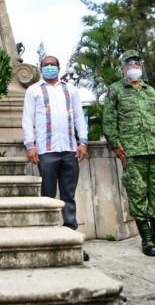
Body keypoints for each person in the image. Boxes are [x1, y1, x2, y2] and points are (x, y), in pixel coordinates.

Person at [104, 50, 155, 257]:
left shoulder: (150, 90)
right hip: (132, 151)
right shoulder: (115, 90)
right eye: (130, 64)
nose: (134, 67)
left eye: (137, 64)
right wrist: (116, 145)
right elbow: (109, 120)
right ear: (122, 69)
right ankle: (147, 240)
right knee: (137, 193)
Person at [22, 56, 89, 260]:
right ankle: (48, 240)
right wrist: (30, 145)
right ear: (41, 68)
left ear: (59, 68)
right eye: (46, 65)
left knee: (68, 197)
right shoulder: (33, 91)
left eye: (53, 65)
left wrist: (84, 141)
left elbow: (79, 116)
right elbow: (28, 119)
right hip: (46, 151)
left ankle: (71, 241)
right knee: (48, 198)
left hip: (69, 149)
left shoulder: (71, 90)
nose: (49, 68)